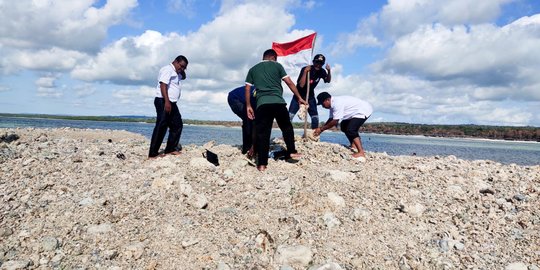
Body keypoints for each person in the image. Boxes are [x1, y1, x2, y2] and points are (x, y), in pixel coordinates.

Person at [245, 49, 307, 171]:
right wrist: (299, 98)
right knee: (287, 128)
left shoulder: (252, 69)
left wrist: (248, 105)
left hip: (262, 104)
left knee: (263, 134)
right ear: (273, 57)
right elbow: (289, 82)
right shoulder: (277, 66)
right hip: (278, 102)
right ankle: (291, 152)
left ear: (264, 57)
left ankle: (262, 164)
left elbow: (247, 89)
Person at [313, 92, 373, 162]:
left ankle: (361, 152)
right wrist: (321, 130)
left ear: (327, 100)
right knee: (344, 126)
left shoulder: (337, 103)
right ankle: (353, 145)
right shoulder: (332, 106)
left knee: (351, 129)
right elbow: (331, 119)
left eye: (322, 104)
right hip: (354, 112)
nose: (323, 106)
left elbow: (335, 121)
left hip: (363, 110)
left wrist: (321, 129)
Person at [148, 55, 188, 158]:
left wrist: (181, 70)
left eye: (184, 67)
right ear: (175, 61)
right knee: (161, 126)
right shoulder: (167, 69)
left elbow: (184, 77)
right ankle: (152, 153)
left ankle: (170, 149)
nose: (182, 69)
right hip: (163, 101)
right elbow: (163, 85)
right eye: (181, 66)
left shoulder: (177, 72)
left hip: (172, 102)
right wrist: (166, 102)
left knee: (177, 125)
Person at [288, 54, 331, 129]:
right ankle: (285, 135)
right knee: (289, 116)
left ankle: (313, 135)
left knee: (315, 118)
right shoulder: (306, 69)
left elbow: (327, 80)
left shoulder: (322, 71)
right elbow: (301, 85)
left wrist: (329, 71)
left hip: (310, 97)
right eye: (317, 62)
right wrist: (305, 72)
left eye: (321, 63)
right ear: (313, 62)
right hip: (298, 96)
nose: (318, 65)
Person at [227, 85, 256, 156]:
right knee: (249, 121)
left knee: (253, 121)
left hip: (246, 101)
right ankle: (246, 149)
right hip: (235, 98)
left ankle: (251, 147)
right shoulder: (258, 94)